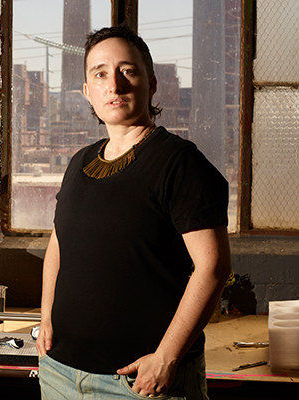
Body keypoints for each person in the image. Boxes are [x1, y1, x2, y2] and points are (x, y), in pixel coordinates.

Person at [36, 24, 231, 400]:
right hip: (60, 374)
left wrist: (167, 358)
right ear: (87, 92)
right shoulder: (79, 162)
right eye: (101, 74)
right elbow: (58, 248)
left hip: (139, 385)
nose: (115, 84)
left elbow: (213, 267)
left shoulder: (179, 162)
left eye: (128, 70)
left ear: (151, 83)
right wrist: (46, 319)